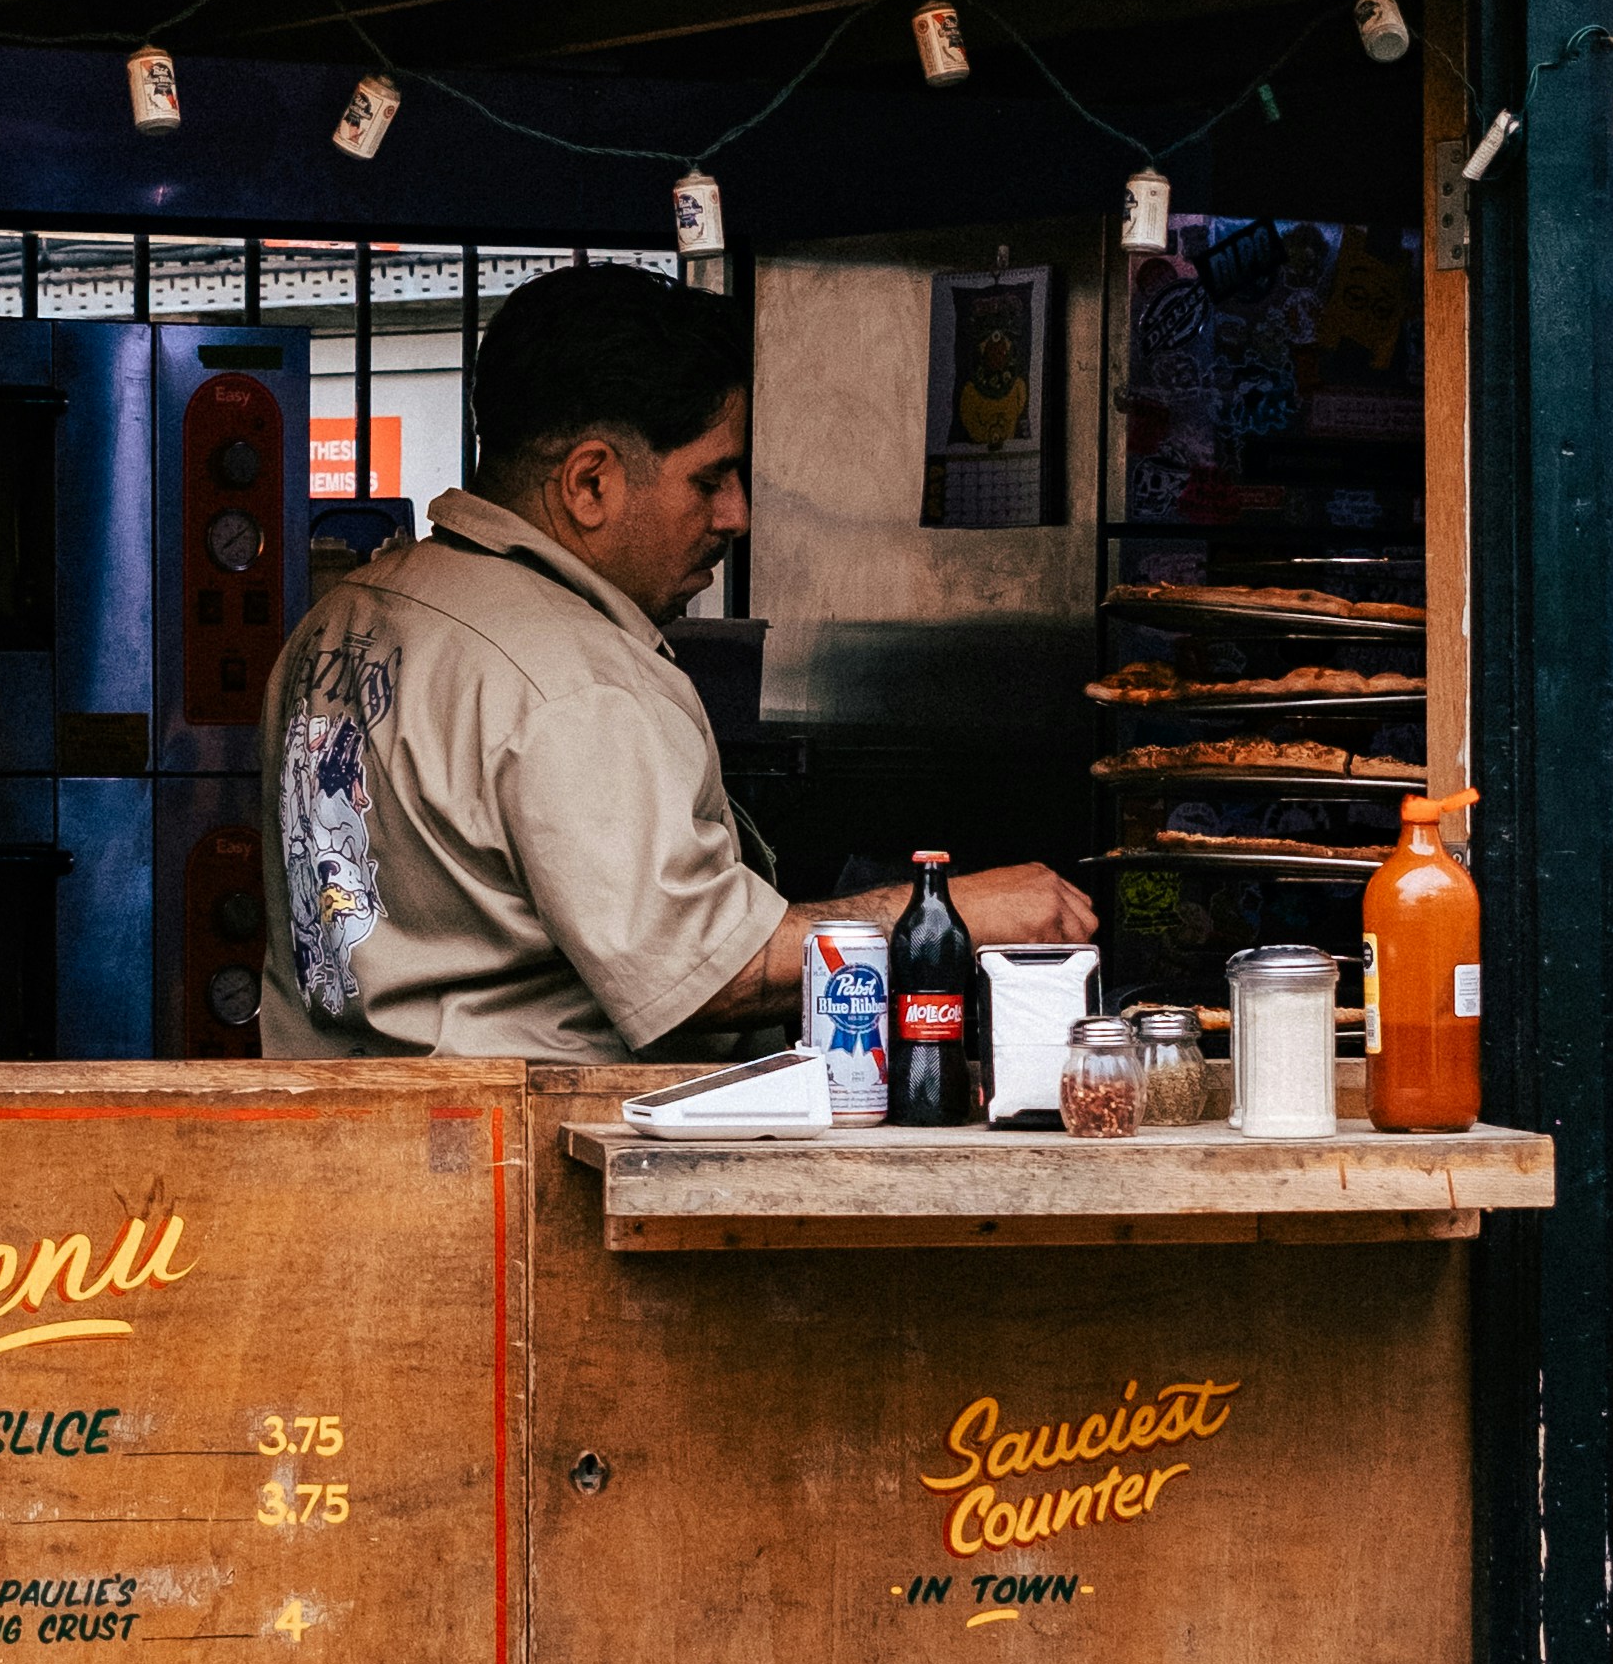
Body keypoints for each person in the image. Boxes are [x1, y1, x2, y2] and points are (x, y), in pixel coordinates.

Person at [258, 261, 1097, 1066]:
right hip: (532, 1154)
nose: (737, 515)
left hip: (353, 1118)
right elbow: (701, 975)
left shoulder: (347, 618)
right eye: (711, 478)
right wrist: (947, 914)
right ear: (590, 482)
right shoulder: (572, 682)